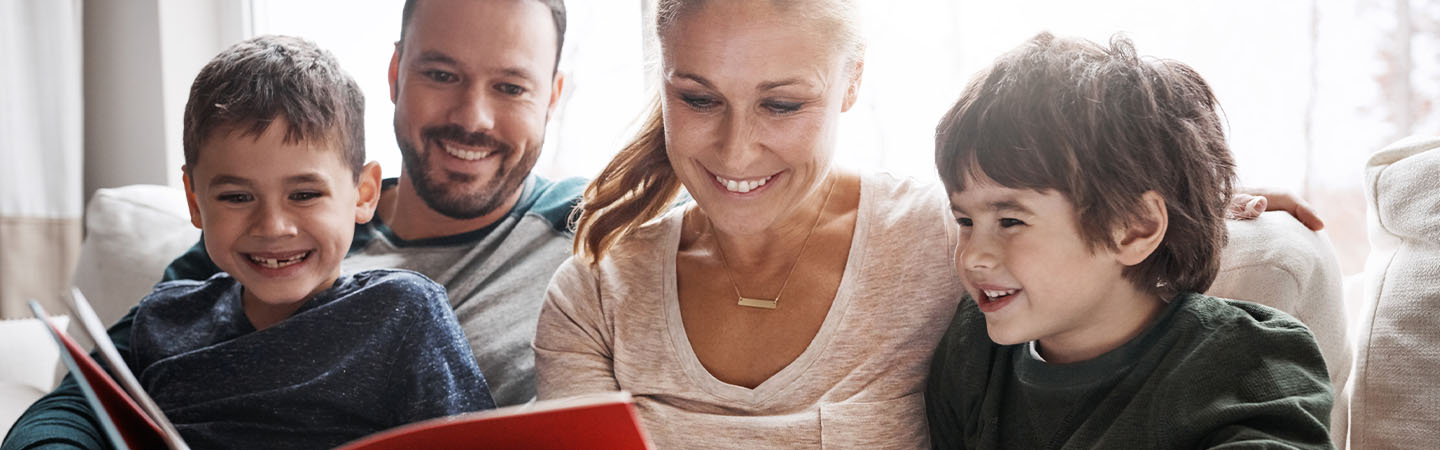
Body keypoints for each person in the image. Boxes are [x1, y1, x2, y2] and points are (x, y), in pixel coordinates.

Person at [4, 0, 573, 448]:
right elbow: (89, 399)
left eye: (510, 85)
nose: (472, 116)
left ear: (552, 95)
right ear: (398, 71)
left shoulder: (597, 232)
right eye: (442, 73)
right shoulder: (203, 284)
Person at [534, 0, 960, 447]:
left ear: (852, 79)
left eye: (781, 105)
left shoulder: (946, 245)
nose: (736, 153)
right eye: (699, 100)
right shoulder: (596, 293)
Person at [924, 33, 1334, 449]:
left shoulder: (1247, 360)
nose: (972, 256)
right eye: (965, 220)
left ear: (1136, 228)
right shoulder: (973, 349)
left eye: (1010, 220)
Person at [136, 35, 496, 448]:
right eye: (237, 197)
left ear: (363, 194)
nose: (272, 227)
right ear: (194, 201)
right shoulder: (163, 322)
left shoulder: (402, 313)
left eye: (304, 195)